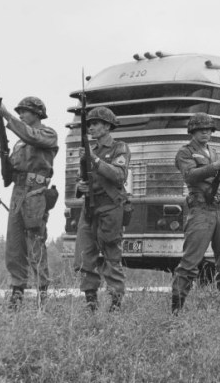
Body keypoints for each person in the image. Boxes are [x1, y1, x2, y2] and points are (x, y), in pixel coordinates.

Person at [0, 96, 58, 309]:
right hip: (18, 192)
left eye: (25, 111)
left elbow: (33, 137)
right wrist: (5, 160)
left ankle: (43, 296)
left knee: (35, 244)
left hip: (35, 193)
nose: (21, 114)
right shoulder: (20, 141)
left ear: (38, 113)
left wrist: (7, 117)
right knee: (14, 245)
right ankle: (16, 293)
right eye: (18, 112)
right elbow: (13, 168)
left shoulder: (47, 134)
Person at [170, 113, 220, 312]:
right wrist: (215, 166)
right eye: (201, 129)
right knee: (190, 262)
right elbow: (190, 176)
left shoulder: (213, 151)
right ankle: (176, 311)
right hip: (200, 210)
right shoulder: (185, 152)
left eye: (209, 130)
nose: (206, 133)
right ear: (192, 131)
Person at [74, 107, 131, 312]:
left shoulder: (119, 148)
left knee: (111, 257)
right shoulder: (90, 150)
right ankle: (91, 306)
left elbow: (118, 176)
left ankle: (115, 307)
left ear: (107, 126)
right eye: (89, 124)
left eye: (95, 123)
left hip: (110, 208)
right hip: (89, 209)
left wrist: (94, 159)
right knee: (84, 258)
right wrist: (79, 188)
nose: (91, 127)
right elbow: (81, 178)